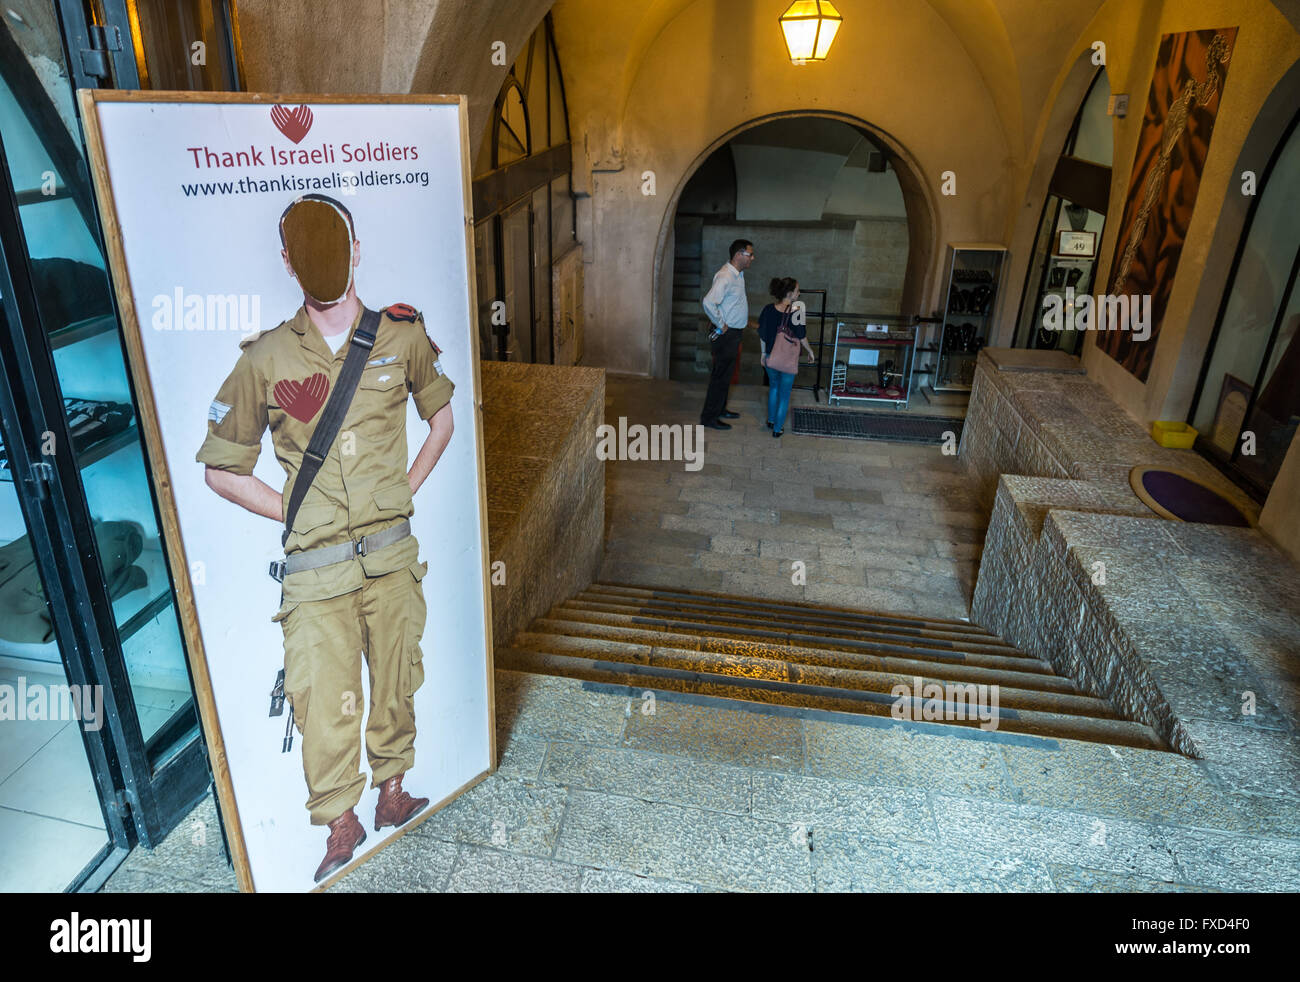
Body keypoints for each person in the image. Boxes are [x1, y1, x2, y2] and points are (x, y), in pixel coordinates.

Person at [196, 193, 455, 883]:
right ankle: (341, 818)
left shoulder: (401, 336)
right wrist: (292, 512)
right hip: (316, 569)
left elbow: (443, 422)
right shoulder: (268, 359)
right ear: (288, 261)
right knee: (321, 693)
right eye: (307, 249)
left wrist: (403, 491)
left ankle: (392, 788)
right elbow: (221, 469)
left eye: (334, 243)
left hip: (391, 556)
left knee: (397, 677)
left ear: (358, 248)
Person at [699, 239, 755, 429]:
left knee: (727, 376)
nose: (752, 258)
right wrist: (721, 324)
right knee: (720, 377)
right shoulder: (725, 276)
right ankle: (709, 418)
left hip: (734, 334)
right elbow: (708, 302)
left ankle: (720, 409)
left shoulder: (738, 275)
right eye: (750, 254)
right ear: (739, 254)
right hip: (726, 335)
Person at [758, 277, 816, 437]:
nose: (799, 293)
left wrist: (763, 354)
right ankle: (777, 429)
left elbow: (762, 334)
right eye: (797, 290)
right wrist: (810, 351)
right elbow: (802, 336)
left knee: (774, 388)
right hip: (788, 360)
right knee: (784, 394)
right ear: (790, 294)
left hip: (771, 357)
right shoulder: (796, 311)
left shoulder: (768, 309)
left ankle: (770, 420)